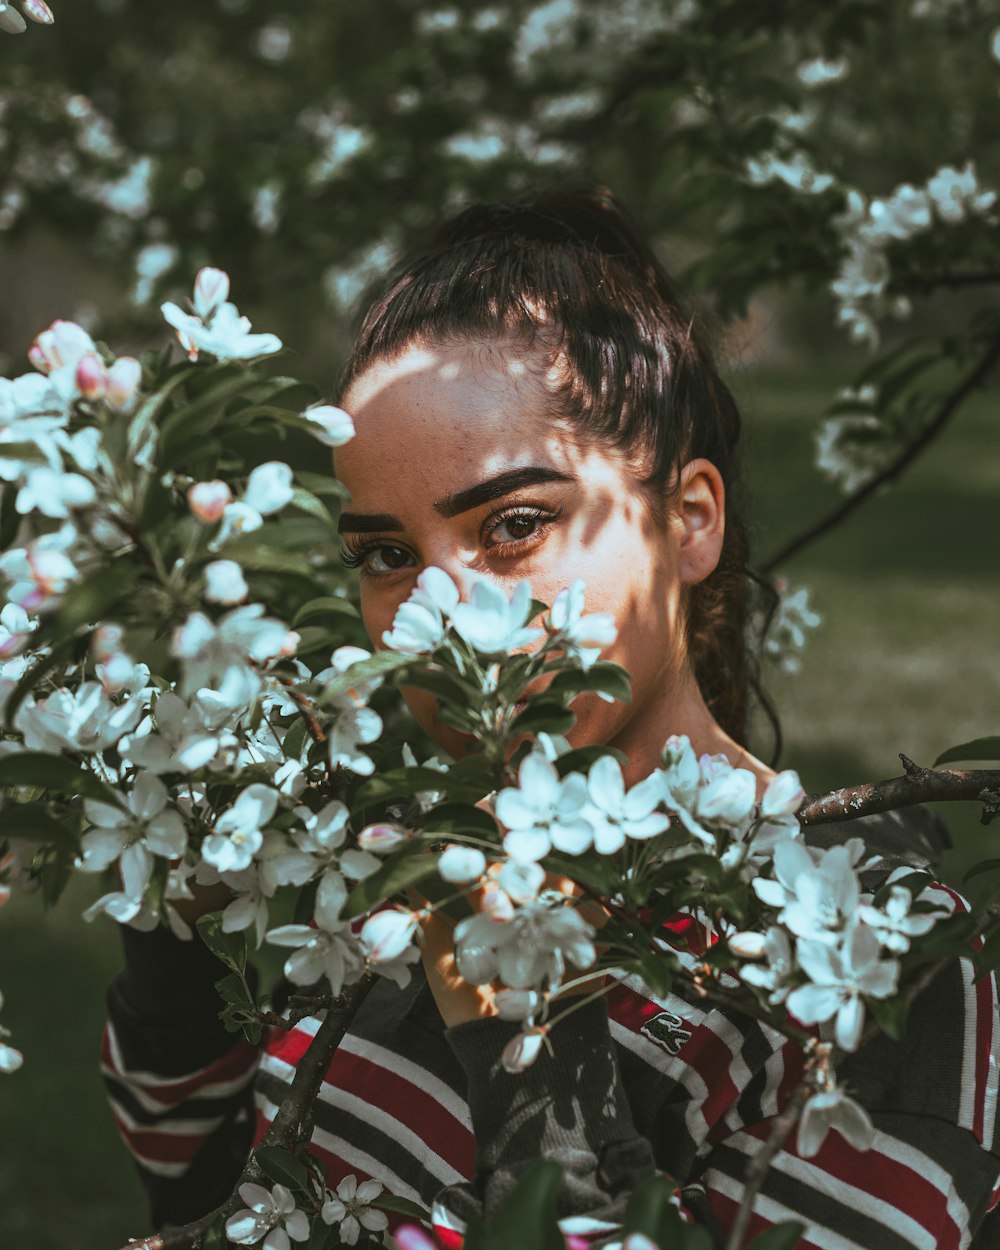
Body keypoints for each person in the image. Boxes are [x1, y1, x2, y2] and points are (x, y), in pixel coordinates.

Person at [103, 187, 1000, 1248]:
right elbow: (202, 1174)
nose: (435, 618)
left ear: (688, 518)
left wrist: (527, 1043)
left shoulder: (873, 957)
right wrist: (180, 934)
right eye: (386, 556)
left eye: (514, 525)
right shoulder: (393, 856)